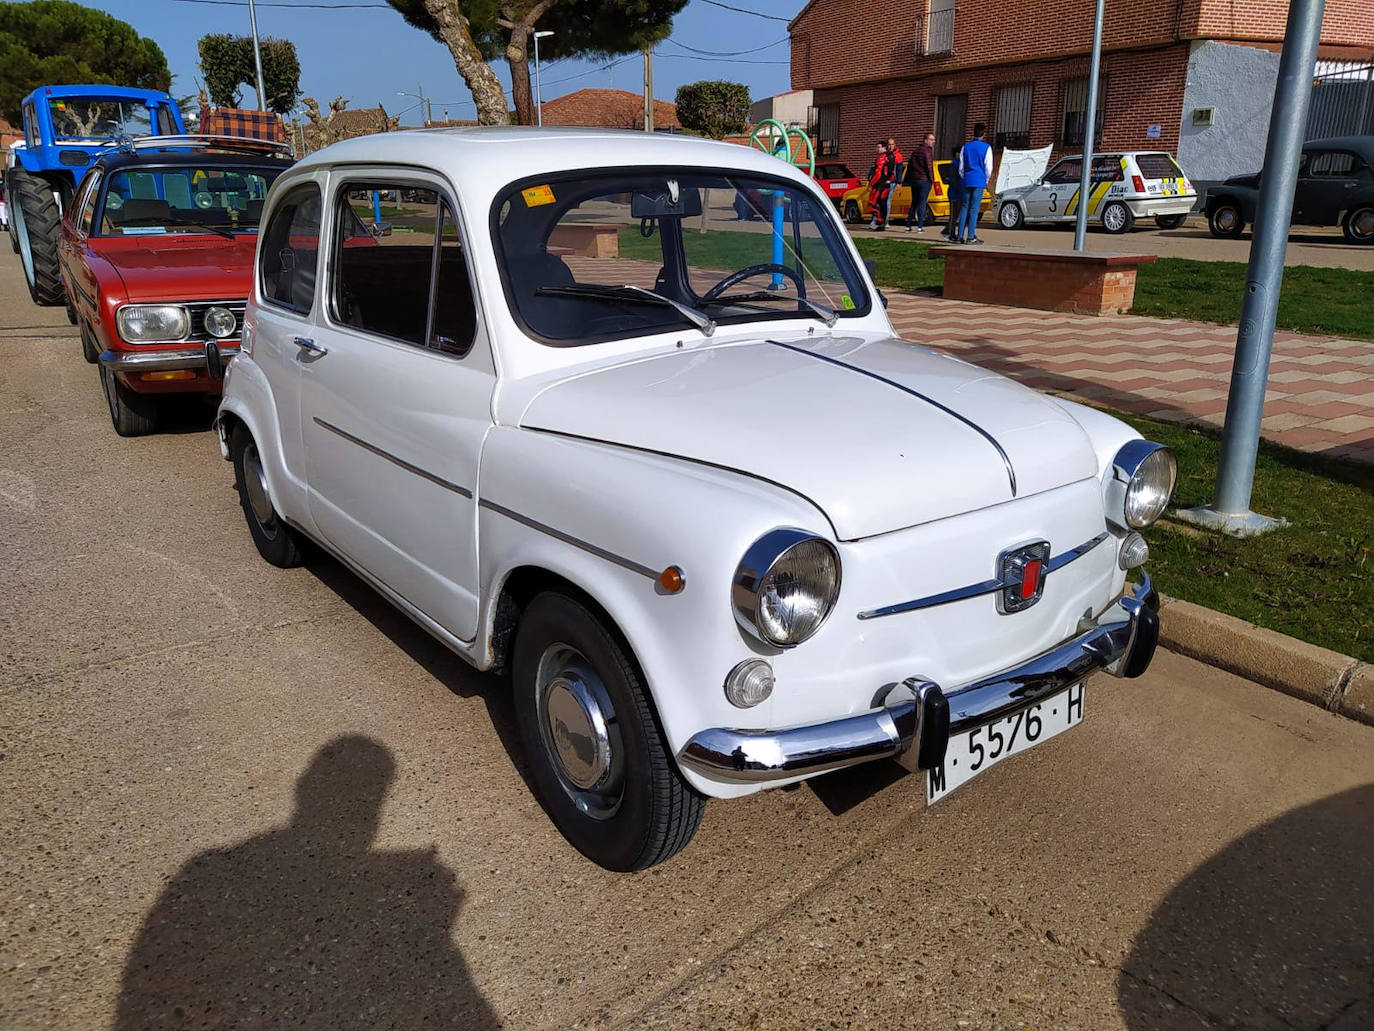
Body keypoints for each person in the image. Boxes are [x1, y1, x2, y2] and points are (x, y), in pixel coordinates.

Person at [956, 122, 993, 244]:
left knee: (965, 207)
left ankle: (959, 235)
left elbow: (961, 167)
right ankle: (971, 236)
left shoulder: (965, 147)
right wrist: (986, 179)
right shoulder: (986, 147)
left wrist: (964, 177)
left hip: (967, 179)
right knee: (974, 208)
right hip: (979, 179)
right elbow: (989, 167)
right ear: (984, 134)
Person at [904, 131, 936, 232]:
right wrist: (932, 179)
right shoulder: (927, 151)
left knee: (914, 202)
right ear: (926, 140)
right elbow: (929, 166)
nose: (933, 142)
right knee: (922, 203)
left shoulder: (915, 151)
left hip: (915, 180)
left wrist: (908, 179)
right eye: (931, 140)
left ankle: (908, 225)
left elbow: (910, 166)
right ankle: (920, 226)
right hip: (924, 180)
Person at [866, 141, 892, 231]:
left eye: (878, 147)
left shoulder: (882, 158)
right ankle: (882, 223)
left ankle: (879, 222)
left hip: (879, 185)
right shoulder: (891, 157)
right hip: (886, 184)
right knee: (882, 204)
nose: (877, 149)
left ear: (884, 148)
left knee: (872, 204)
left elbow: (878, 173)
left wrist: (871, 184)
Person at [942, 145, 964, 240]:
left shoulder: (960, 163)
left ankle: (947, 230)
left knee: (956, 215)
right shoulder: (954, 164)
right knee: (953, 215)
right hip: (954, 193)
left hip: (959, 193)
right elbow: (954, 180)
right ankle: (951, 234)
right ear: (957, 154)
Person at [884, 137, 904, 230]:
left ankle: (886, 220)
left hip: (892, 181)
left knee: (888, 200)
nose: (890, 146)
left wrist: (898, 182)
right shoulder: (884, 155)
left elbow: (899, 170)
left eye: (892, 144)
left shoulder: (898, 156)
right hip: (883, 181)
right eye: (889, 144)